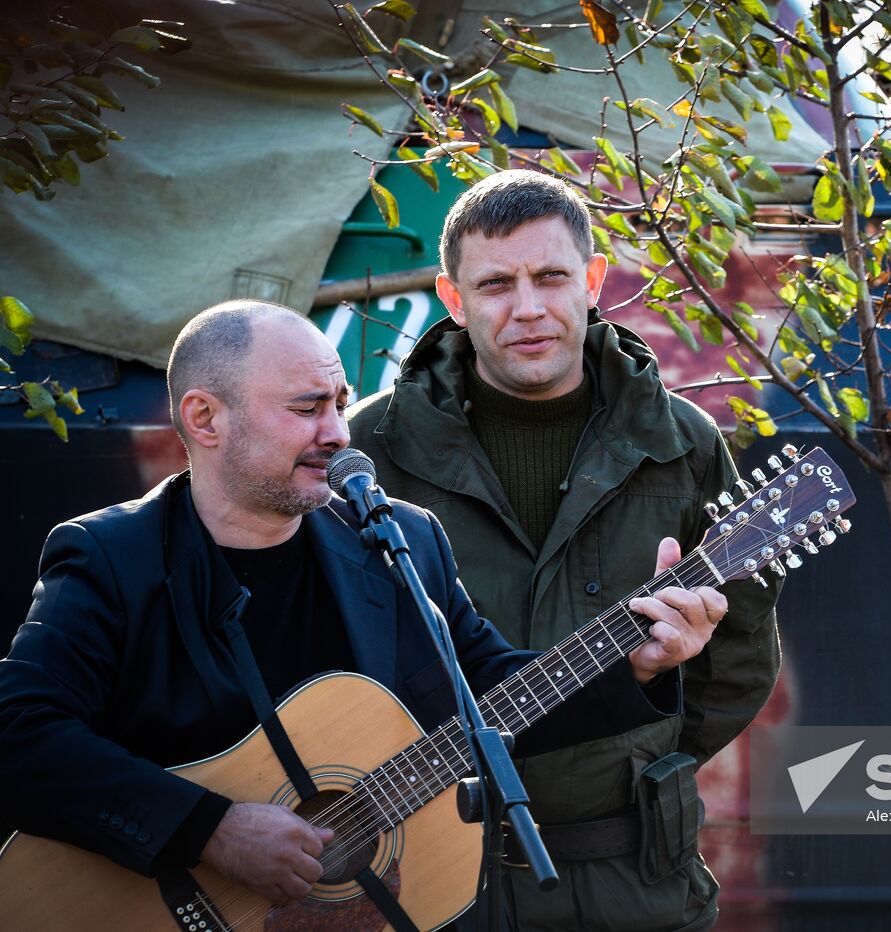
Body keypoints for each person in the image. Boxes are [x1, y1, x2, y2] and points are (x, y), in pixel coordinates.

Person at [0, 301, 725, 916]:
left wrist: (635, 665)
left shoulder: (400, 539)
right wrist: (210, 831)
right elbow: (19, 733)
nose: (339, 433)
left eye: (341, 404)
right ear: (206, 417)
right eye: (307, 408)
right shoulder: (110, 558)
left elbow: (489, 694)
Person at [348, 169, 781, 931]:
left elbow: (740, 655)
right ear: (454, 299)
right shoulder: (368, 449)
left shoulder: (681, 443)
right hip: (418, 876)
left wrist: (634, 759)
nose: (528, 308)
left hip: (630, 884)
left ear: (592, 281)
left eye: (551, 277)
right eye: (495, 285)